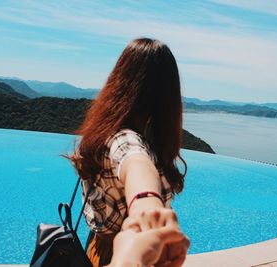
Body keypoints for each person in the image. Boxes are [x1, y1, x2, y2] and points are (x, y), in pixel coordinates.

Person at [67, 38, 189, 267]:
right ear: (168, 95)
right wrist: (148, 206)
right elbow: (135, 163)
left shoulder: (105, 131)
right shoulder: (126, 139)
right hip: (121, 252)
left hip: (99, 248)